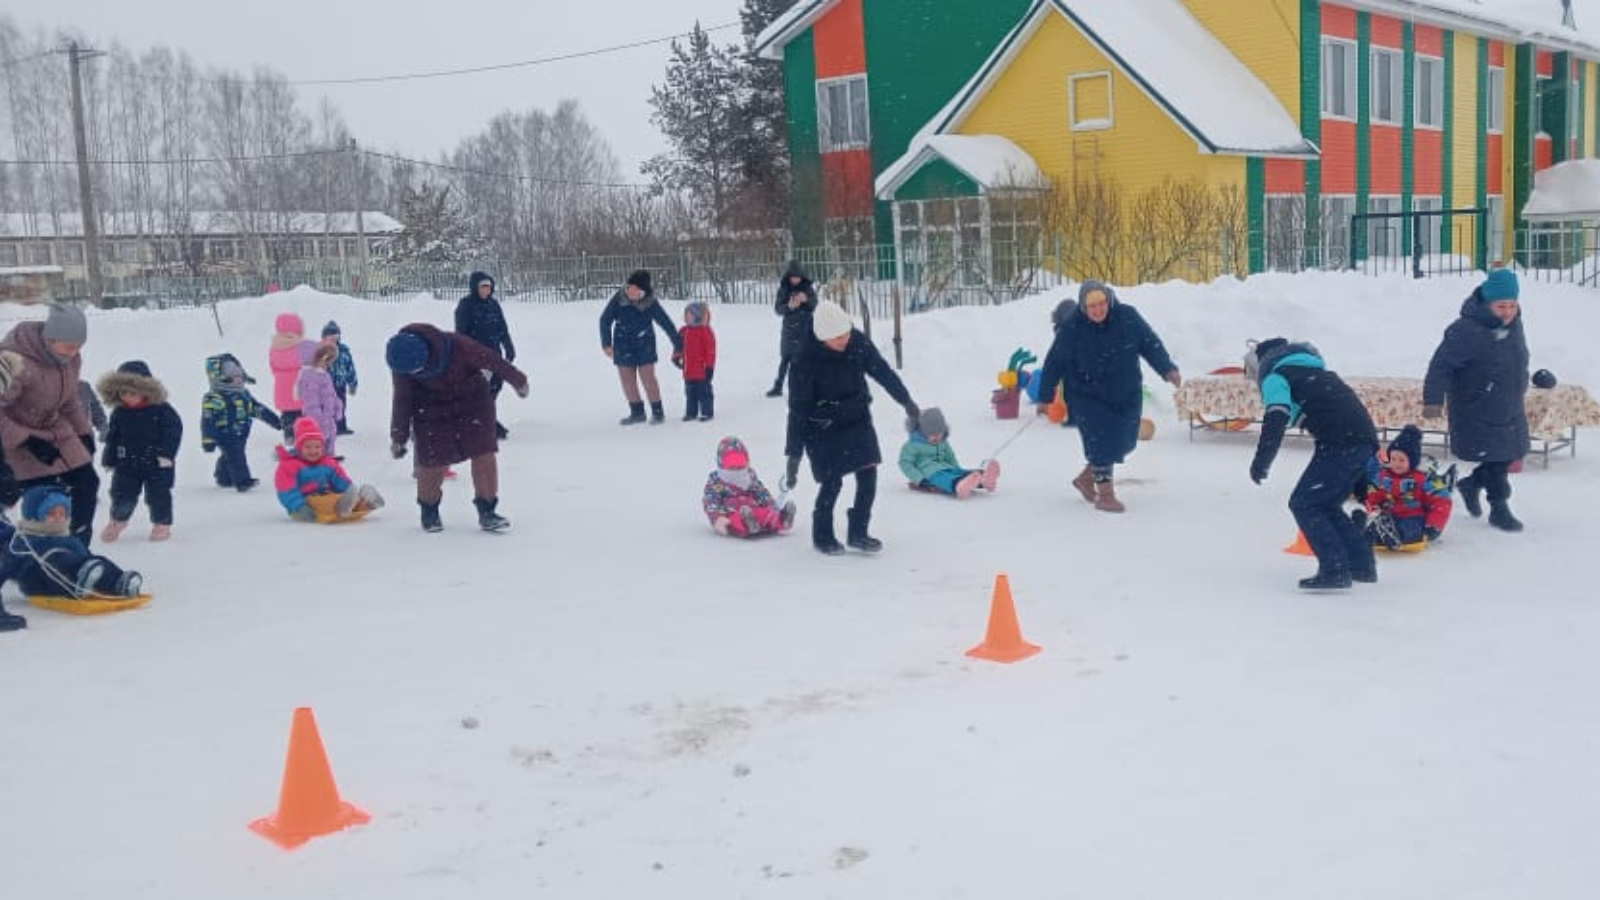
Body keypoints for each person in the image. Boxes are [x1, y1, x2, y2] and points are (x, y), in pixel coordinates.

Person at [782, 301, 920, 555]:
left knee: (868, 474)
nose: (845, 340)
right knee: (831, 482)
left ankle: (858, 531)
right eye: (838, 338)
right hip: (822, 425)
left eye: (846, 333)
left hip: (856, 416)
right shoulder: (804, 359)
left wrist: (906, 401)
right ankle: (822, 534)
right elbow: (798, 411)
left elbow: (882, 371)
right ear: (822, 337)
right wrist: (793, 456)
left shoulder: (856, 341)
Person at [1246, 338, 1379, 591]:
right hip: (1358, 438)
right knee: (1326, 503)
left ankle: (1335, 568)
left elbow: (1276, 416)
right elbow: (1349, 412)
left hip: (1339, 440)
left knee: (1305, 503)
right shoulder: (1315, 371)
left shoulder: (1277, 376)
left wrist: (1262, 461)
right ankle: (1361, 565)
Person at [1034, 281, 1180, 512]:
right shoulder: (1073, 327)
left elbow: (1150, 344)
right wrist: (1045, 396)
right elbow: (1055, 361)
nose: (1097, 310)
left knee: (1125, 442)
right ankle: (1106, 495)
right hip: (1086, 395)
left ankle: (1085, 478)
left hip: (1126, 393)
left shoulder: (1127, 317)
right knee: (1101, 443)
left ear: (1109, 300)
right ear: (1083, 307)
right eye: (1091, 306)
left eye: (1101, 304)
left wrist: (1168, 369)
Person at [387, 324, 529, 533]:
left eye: (419, 369)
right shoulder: (402, 364)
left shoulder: (457, 345)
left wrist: (519, 381)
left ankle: (487, 510)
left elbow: (493, 360)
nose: (417, 374)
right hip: (430, 409)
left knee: (483, 453)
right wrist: (398, 436)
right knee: (432, 461)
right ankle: (429, 511)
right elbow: (402, 399)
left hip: (473, 401)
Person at [1422, 268, 1531, 532]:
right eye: (1501, 305)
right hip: (1476, 406)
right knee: (1497, 461)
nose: (1507, 311)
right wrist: (1433, 400)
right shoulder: (1466, 330)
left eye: (1512, 305)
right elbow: (1441, 365)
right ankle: (1499, 508)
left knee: (1512, 452)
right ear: (1487, 303)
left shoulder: (1514, 325)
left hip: (1509, 404)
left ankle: (1471, 485)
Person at [0, 304, 101, 546]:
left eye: (79, 346)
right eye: (69, 346)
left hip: (55, 431)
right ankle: (43, 554)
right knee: (44, 496)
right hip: (15, 435)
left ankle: (77, 548)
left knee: (87, 482)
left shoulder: (70, 359)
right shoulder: (13, 361)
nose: (74, 352)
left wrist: (84, 433)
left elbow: (69, 401)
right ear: (50, 338)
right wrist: (25, 440)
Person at [2, 485, 142, 599]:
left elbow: (85, 556)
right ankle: (79, 581)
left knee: (95, 560)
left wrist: (91, 563)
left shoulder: (66, 536)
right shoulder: (25, 538)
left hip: (72, 576)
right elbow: (9, 566)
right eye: (51, 514)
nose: (58, 518)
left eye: (62, 514)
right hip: (38, 582)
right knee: (57, 558)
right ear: (35, 515)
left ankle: (118, 583)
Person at [97, 361, 182, 542]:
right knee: (121, 493)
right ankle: (118, 520)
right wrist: (110, 458)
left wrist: (167, 454)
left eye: (133, 393)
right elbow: (114, 436)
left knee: (158, 495)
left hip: (157, 463)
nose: (128, 397)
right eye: (123, 393)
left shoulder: (161, 410)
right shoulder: (119, 413)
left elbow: (173, 431)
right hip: (127, 463)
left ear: (146, 391)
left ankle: (162, 522)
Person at [599, 269, 681, 425]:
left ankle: (658, 413)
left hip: (645, 344)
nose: (631, 291)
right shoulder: (619, 298)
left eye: (636, 289)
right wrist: (606, 344)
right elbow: (605, 320)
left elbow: (666, 323)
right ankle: (637, 412)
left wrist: (677, 345)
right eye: (630, 287)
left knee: (649, 379)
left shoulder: (650, 303)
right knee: (627, 381)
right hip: (622, 345)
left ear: (643, 292)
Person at [1353, 424, 1453, 549]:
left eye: (1401, 460)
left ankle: (1392, 536)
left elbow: (1442, 501)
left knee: (1411, 529)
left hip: (1414, 516)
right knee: (1377, 524)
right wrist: (1374, 509)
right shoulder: (1383, 477)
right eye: (1393, 459)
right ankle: (1365, 532)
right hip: (1389, 515)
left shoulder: (1424, 479)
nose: (1396, 464)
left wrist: (1434, 525)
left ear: (1412, 461)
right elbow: (1373, 495)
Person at [275, 418, 383, 523]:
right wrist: (298, 506)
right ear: (299, 448)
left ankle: (367, 501)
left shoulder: (328, 463)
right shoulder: (289, 466)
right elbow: (287, 490)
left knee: (335, 499)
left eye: (317, 447)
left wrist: (348, 490)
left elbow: (340, 480)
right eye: (308, 447)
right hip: (305, 503)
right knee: (326, 503)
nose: (313, 451)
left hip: (328, 496)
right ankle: (347, 506)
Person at [201, 352, 281, 492]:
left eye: (240, 376)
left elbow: (257, 409)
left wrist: (275, 421)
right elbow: (208, 420)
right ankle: (243, 481)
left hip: (241, 431)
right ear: (221, 378)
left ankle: (223, 477)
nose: (238, 380)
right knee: (236, 456)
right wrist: (208, 439)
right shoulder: (215, 397)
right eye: (233, 377)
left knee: (230, 455)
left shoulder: (244, 394)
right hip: (224, 432)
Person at [453, 272, 516, 440]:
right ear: (475, 287)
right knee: (479, 390)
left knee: (495, 386)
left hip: (494, 355)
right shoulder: (466, 305)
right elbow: (461, 334)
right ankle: (483, 422)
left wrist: (508, 346)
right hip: (476, 358)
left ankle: (484, 419)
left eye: (488, 286)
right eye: (483, 286)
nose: (486, 290)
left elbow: (502, 327)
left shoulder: (493, 305)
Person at [702, 436, 795, 538]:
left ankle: (782, 520)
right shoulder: (717, 482)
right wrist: (717, 518)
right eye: (731, 462)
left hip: (752, 510)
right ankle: (749, 524)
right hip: (731, 514)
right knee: (736, 519)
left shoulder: (749, 477)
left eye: (740, 462)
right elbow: (710, 501)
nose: (736, 467)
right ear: (721, 462)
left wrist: (771, 505)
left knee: (766, 513)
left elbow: (760, 492)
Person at [898, 407, 1000, 498]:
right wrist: (919, 479)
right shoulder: (912, 446)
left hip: (947, 467)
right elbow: (905, 464)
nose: (937, 437)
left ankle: (984, 478)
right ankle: (958, 486)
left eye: (940, 433)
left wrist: (956, 468)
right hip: (930, 474)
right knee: (944, 479)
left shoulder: (943, 442)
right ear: (922, 433)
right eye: (932, 434)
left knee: (964, 474)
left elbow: (950, 456)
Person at [768, 261, 818, 398]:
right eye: (793, 277)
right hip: (789, 330)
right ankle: (778, 386)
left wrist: (806, 299)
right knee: (785, 360)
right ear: (789, 277)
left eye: (798, 276)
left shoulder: (808, 289)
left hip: (806, 329)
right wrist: (789, 306)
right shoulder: (784, 289)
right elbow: (778, 309)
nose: (795, 279)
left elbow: (815, 306)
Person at [297, 341, 344, 458]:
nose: (327, 364)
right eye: (325, 360)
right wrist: (318, 416)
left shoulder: (324, 375)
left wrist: (338, 405)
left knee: (331, 433)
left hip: (328, 414)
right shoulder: (309, 376)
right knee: (318, 436)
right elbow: (310, 398)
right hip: (317, 415)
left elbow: (331, 393)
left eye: (329, 361)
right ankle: (316, 456)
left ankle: (329, 455)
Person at [268, 312, 310, 442]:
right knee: (304, 421)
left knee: (288, 418)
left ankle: (290, 440)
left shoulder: (274, 347)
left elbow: (273, 368)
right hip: (301, 391)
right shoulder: (304, 346)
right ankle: (304, 443)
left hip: (282, 392)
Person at [675, 301, 716, 422]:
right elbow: (678, 346)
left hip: (702, 370)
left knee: (704, 392)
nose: (687, 316)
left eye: (690, 314)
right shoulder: (684, 330)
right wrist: (676, 357)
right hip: (688, 370)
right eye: (686, 314)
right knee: (690, 393)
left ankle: (707, 412)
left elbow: (710, 351)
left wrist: (709, 367)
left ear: (697, 315)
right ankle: (691, 412)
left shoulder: (705, 331)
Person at [321, 321, 358, 435]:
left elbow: (350, 368)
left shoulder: (344, 352)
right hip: (324, 387)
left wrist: (353, 383)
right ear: (324, 338)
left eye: (335, 336)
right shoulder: (321, 351)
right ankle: (325, 427)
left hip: (340, 385)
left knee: (340, 406)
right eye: (329, 337)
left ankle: (340, 426)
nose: (333, 339)